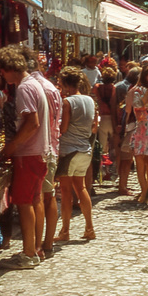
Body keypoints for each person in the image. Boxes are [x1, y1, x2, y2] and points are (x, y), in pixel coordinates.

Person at [0, 45, 49, 269]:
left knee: (24, 202)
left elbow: (32, 123)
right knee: (33, 200)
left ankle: (28, 255)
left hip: (28, 153)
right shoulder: (35, 84)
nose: (2, 76)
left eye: (2, 71)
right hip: (38, 152)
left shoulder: (25, 89)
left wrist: (11, 147)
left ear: (10, 68)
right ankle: (34, 249)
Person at [21, 45, 62, 260]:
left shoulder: (32, 87)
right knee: (49, 195)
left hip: (40, 148)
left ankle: (37, 247)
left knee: (38, 197)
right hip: (53, 146)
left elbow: (33, 123)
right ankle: (46, 243)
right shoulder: (51, 87)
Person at [55, 66, 97, 242]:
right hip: (85, 149)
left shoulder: (68, 102)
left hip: (69, 150)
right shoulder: (89, 100)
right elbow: (94, 125)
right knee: (81, 188)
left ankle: (65, 230)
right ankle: (89, 227)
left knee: (66, 192)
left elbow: (63, 128)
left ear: (65, 84)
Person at [125, 64, 148, 204]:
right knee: (139, 158)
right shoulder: (137, 90)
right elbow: (139, 105)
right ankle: (144, 189)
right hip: (141, 127)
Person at [114, 67, 140, 195]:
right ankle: (122, 186)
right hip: (130, 128)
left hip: (126, 127)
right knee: (126, 159)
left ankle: (123, 184)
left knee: (126, 159)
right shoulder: (133, 91)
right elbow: (127, 113)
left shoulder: (122, 87)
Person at [92, 66, 118, 171]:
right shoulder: (114, 88)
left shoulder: (98, 87)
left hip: (102, 118)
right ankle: (113, 167)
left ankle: (102, 169)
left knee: (102, 146)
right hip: (112, 118)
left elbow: (94, 94)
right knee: (113, 144)